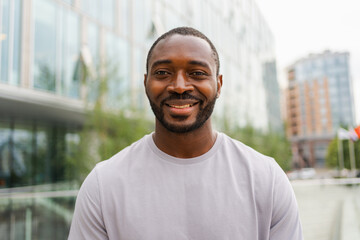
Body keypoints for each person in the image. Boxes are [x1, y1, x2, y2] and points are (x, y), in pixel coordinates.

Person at [68, 27, 303, 240]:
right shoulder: (103, 184)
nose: (180, 86)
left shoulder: (267, 179)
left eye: (197, 73)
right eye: (162, 73)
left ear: (219, 85)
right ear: (146, 83)